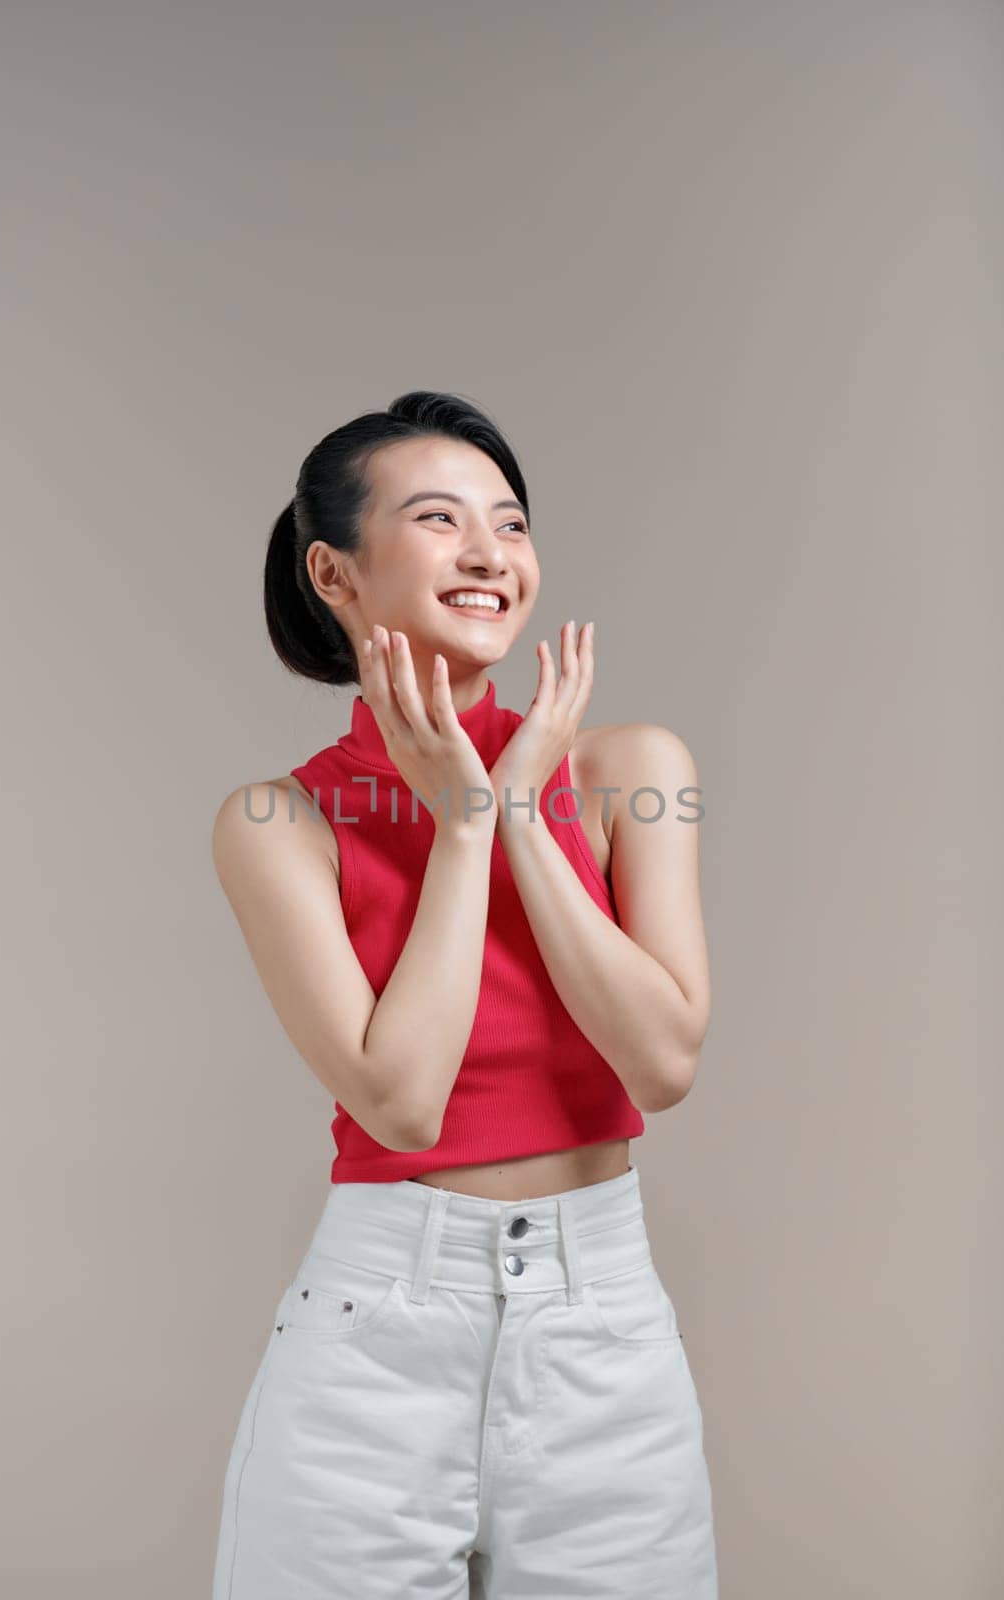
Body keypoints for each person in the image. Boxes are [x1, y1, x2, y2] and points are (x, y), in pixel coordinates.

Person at [209, 390, 718, 1598]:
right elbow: (399, 1099)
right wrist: (460, 822)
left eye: (510, 522)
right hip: (376, 1337)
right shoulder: (275, 820)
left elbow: (662, 1063)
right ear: (333, 574)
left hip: (603, 1331)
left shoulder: (630, 770)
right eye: (440, 519)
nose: (490, 552)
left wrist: (522, 814)